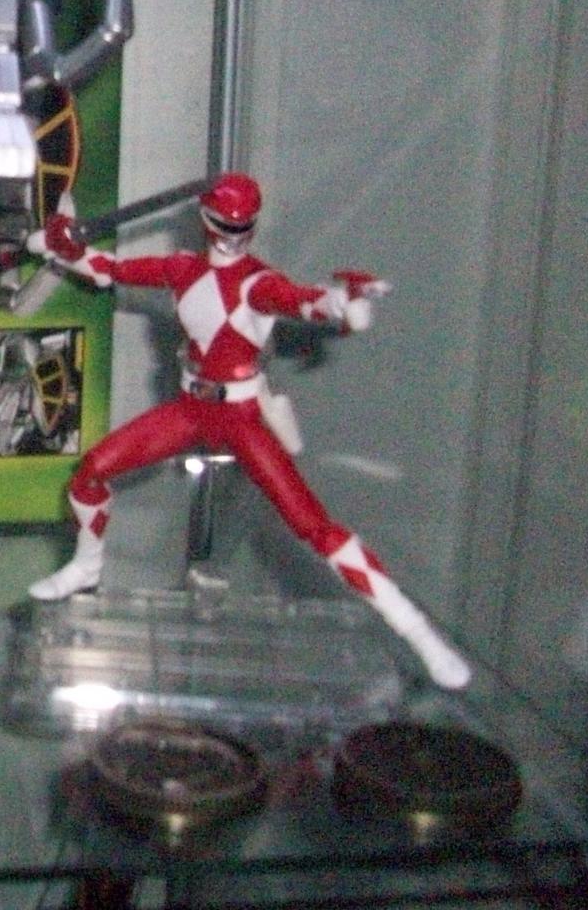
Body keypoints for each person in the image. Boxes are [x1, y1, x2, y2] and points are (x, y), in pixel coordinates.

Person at [26, 172, 470, 689]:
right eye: (225, 225)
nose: (233, 236)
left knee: (316, 527)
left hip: (241, 418)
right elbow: (108, 269)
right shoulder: (182, 268)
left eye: (242, 227)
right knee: (91, 472)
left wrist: (344, 304)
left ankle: (419, 634)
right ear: (206, 221)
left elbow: (305, 301)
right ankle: (86, 567)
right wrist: (63, 248)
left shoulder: (257, 284)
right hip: (192, 409)